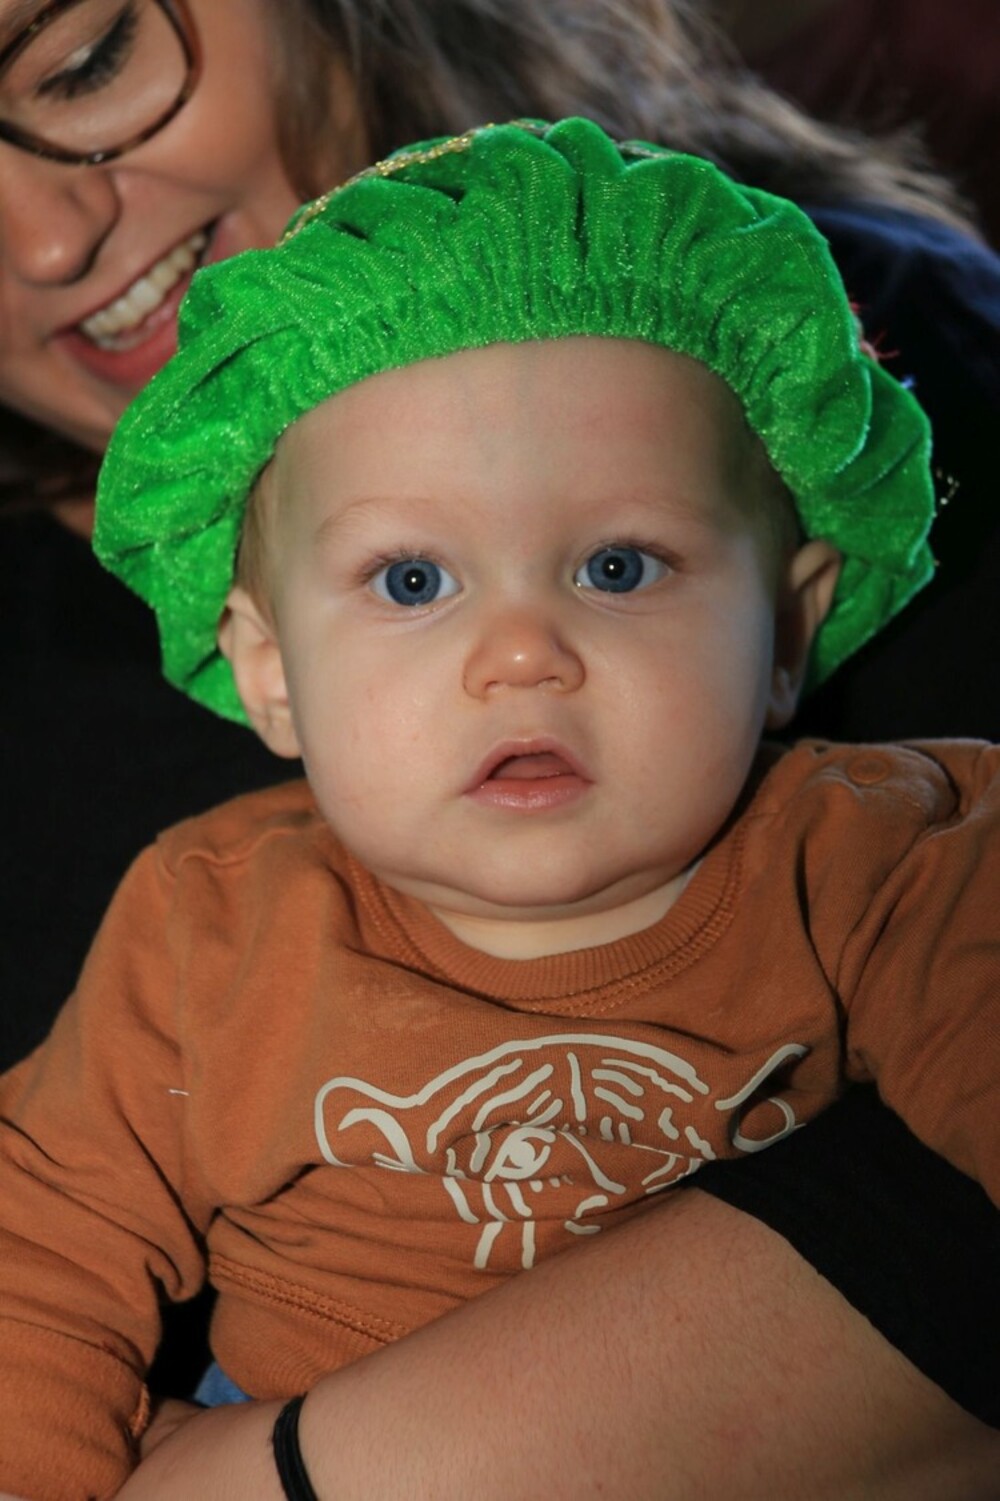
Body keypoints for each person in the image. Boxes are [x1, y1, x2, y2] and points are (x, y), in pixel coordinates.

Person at [0, 1, 996, 1494]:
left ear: (790, 627)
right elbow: (39, 1246)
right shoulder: (208, 928)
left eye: (617, 566)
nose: (521, 652)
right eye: (412, 581)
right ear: (265, 668)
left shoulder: (883, 856)